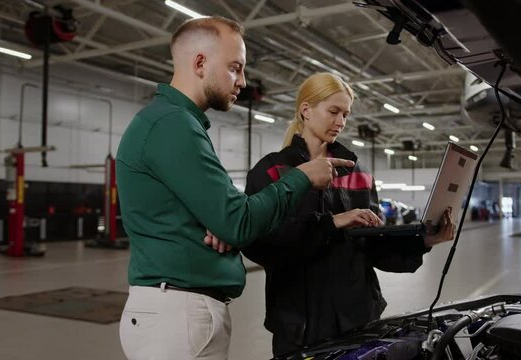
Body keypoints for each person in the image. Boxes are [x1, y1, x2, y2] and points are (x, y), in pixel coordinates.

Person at [115, 18, 354, 360]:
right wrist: (301, 177)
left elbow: (229, 218)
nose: (242, 81)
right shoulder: (173, 126)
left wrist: (224, 221)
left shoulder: (175, 123)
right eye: (235, 68)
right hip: (178, 313)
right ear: (200, 63)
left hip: (177, 310)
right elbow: (238, 221)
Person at [241, 73, 456, 357]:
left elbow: (374, 248)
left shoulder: (358, 174)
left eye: (345, 114)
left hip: (360, 321)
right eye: (333, 111)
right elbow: (261, 243)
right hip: (300, 326)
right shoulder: (271, 171)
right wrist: (332, 223)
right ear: (306, 110)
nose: (341, 122)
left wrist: (424, 241)